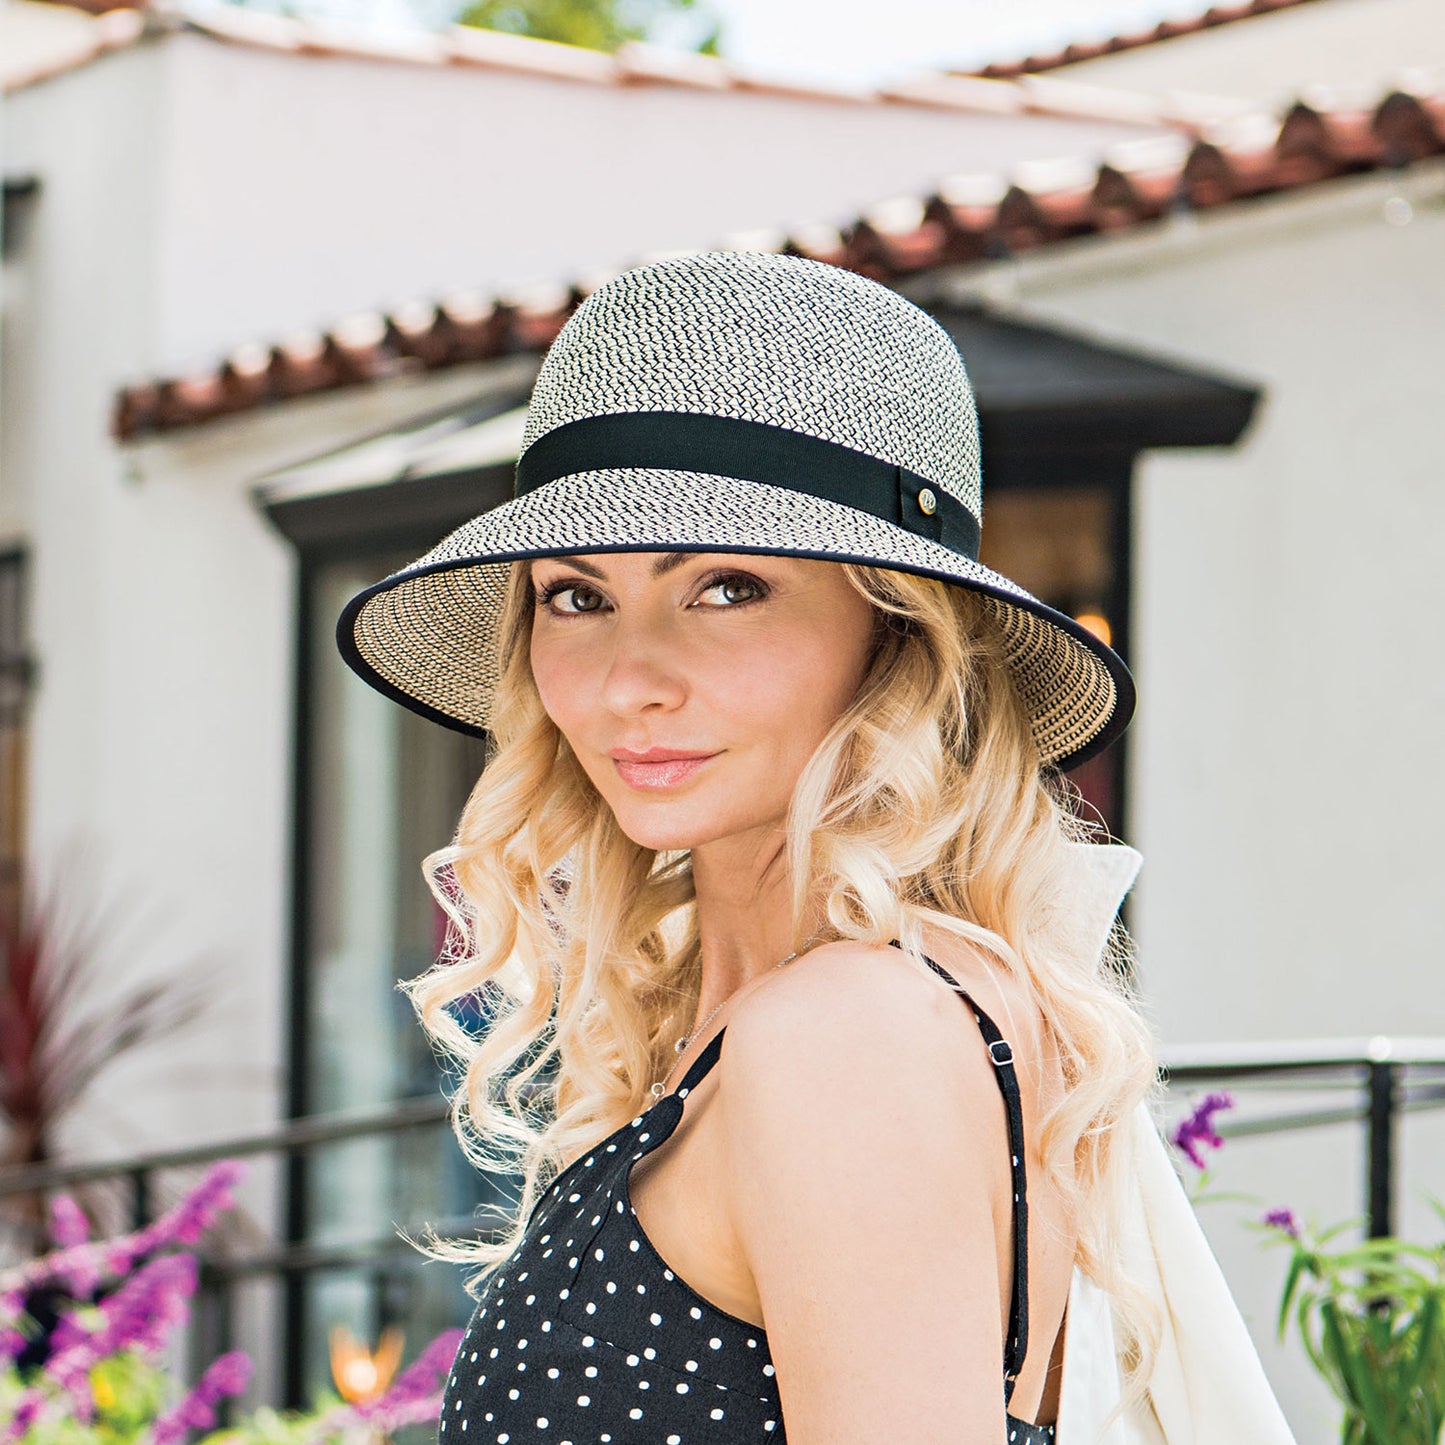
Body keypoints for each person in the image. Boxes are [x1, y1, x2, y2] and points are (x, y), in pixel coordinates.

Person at [336, 251, 1279, 1443]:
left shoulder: (843, 1035)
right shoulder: (846, 1007)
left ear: (895, 636)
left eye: (726, 586)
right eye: (576, 594)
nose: (631, 680)